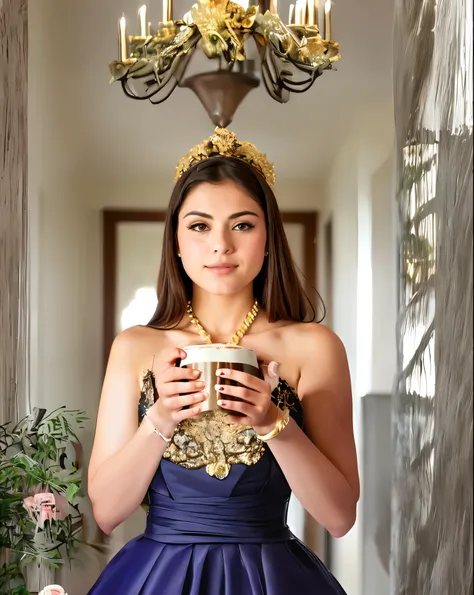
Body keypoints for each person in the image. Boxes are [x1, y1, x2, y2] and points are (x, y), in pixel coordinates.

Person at [87, 128, 359, 594]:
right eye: (199, 225)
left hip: (273, 578)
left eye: (243, 224)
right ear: (175, 239)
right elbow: (108, 513)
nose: (220, 245)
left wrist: (274, 422)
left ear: (269, 237)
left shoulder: (315, 347)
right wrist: (161, 416)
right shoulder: (134, 347)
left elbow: (338, 518)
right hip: (156, 578)